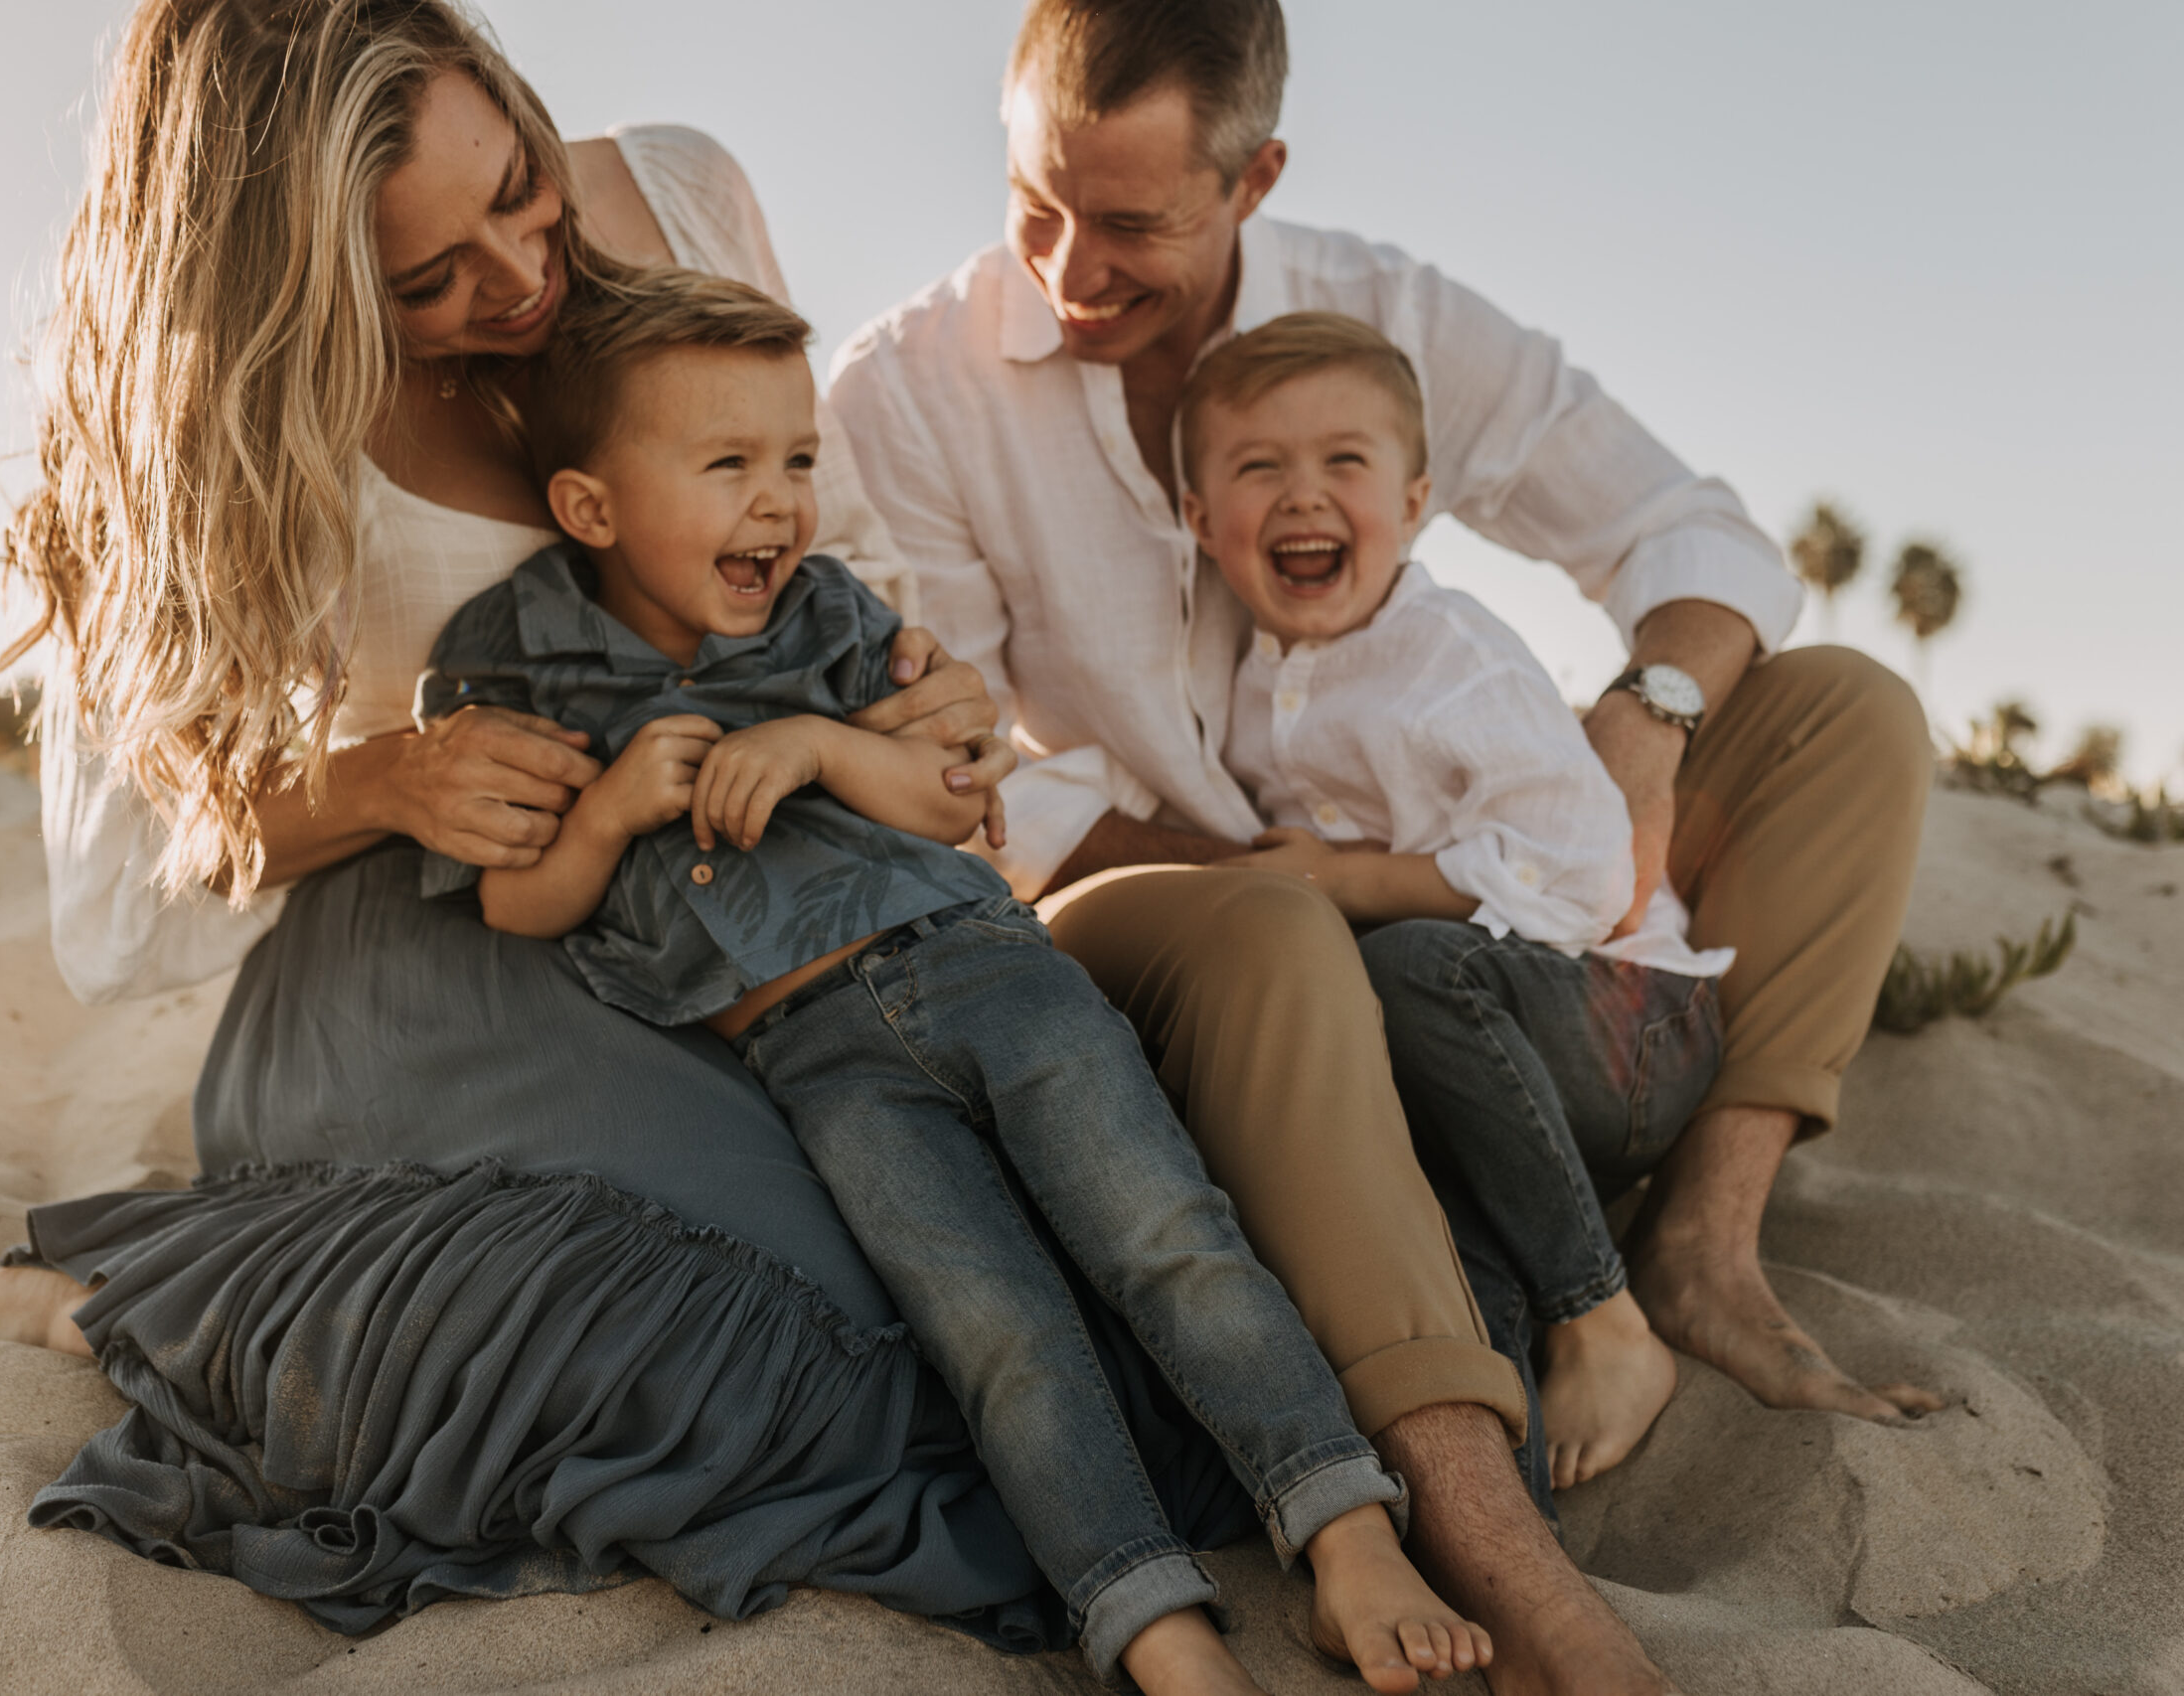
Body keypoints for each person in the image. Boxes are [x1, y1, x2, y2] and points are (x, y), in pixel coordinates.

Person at [0, 0, 1069, 1642]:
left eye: (515, 185)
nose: (517, 277)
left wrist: (914, 696)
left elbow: (816, 541)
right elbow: (123, 897)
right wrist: (375, 777)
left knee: (1017, 1309)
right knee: (814, 1352)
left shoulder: (682, 192)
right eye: (426, 279)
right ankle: (160, 1298)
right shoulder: (195, 402)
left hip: (737, 908)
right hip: (431, 960)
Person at [829, 0, 1934, 1683]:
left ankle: (1704, 1243)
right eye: (1034, 203)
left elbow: (1691, 530)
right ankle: (1492, 1527)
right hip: (1145, 896)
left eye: (1131, 225)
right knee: (1285, 937)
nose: (1067, 268)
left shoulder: (1389, 316)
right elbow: (971, 779)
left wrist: (1641, 719)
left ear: (1256, 177)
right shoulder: (912, 391)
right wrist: (1277, 878)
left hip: (1452, 895)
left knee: (1846, 708)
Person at [414, 265, 1489, 1696]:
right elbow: (513, 897)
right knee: (996, 1328)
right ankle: (1153, 1619)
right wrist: (609, 811)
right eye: (727, 464)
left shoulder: (827, 617)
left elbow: (951, 791)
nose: (778, 502)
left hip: (982, 965)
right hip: (813, 1054)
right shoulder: (513, 660)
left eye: (796, 459)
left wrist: (814, 748)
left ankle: (1345, 1528)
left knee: (1169, 1229)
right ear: (592, 506)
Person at [1179, 311, 1733, 1492]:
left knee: (1407, 968)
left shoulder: (1451, 657)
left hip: (1629, 1022)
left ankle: (1605, 1320)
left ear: (1417, 497)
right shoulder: (1240, 682)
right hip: (1480, 1069)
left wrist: (1344, 879)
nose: (1302, 497)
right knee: (1417, 1203)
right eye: (1258, 467)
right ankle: (1498, 1477)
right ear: (1197, 521)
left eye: (1344, 463)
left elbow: (1589, 875)